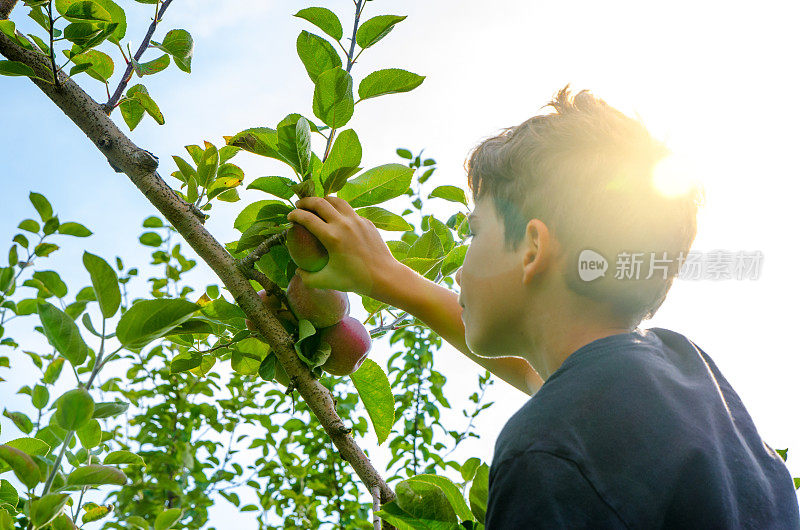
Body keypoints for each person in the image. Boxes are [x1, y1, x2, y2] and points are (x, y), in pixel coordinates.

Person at [286, 85, 800, 528]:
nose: (460, 271)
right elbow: (554, 382)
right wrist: (389, 278)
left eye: (475, 232)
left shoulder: (547, 454)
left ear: (532, 248)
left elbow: (563, 409)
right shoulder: (685, 376)